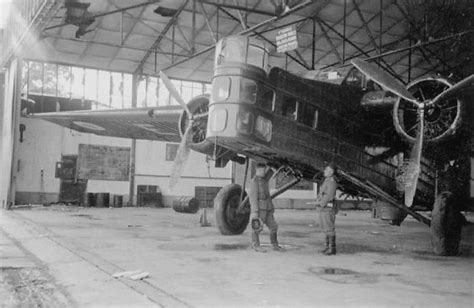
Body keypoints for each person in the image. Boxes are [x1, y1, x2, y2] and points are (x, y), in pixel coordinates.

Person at [248, 163, 282, 252]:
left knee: (274, 226)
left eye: (264, 170)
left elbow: (269, 173)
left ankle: (274, 244)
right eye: (261, 170)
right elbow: (253, 197)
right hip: (260, 208)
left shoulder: (264, 180)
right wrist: (255, 211)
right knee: (257, 227)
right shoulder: (254, 182)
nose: (263, 172)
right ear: (257, 170)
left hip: (268, 208)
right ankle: (255, 245)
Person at [315, 163, 338, 255]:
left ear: (331, 172)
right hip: (324, 208)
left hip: (327, 208)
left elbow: (329, 196)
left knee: (329, 228)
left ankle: (332, 249)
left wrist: (320, 203)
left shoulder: (332, 182)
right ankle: (327, 247)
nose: (324, 171)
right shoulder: (327, 180)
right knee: (325, 227)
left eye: (326, 170)